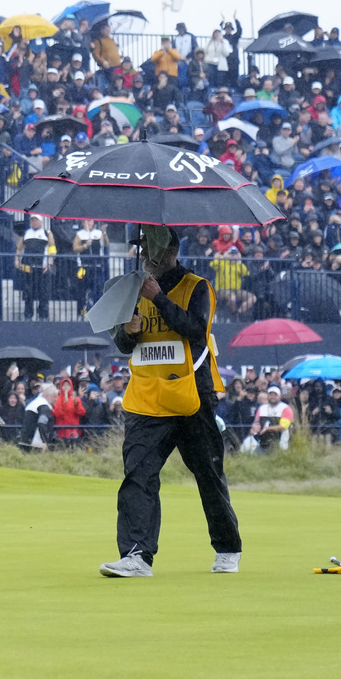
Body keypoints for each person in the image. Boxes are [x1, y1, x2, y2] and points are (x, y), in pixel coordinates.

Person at [101, 224, 242, 578]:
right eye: (142, 248)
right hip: (147, 399)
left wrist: (158, 298)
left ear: (170, 252)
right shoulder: (133, 290)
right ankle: (136, 556)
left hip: (192, 395)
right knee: (138, 476)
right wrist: (127, 332)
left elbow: (196, 330)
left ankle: (227, 548)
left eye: (151, 249)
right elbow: (122, 343)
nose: (145, 255)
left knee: (208, 473)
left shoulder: (198, 287)